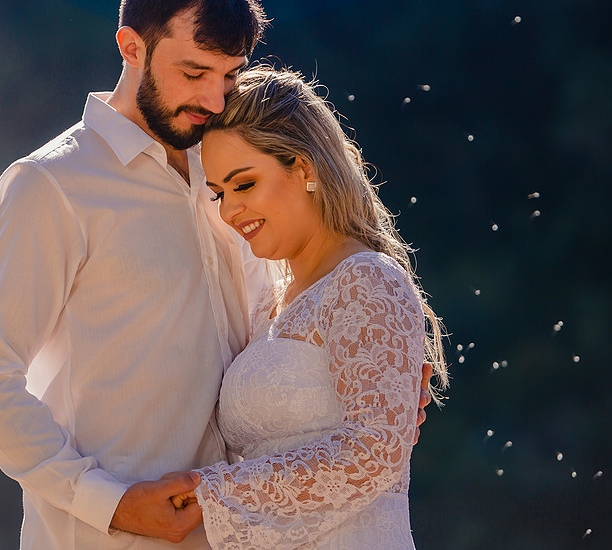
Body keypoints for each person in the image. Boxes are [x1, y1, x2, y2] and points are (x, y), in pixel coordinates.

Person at [0, 0, 435, 549]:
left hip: (235, 536)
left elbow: (271, 349)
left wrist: (365, 393)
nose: (213, 98)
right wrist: (111, 503)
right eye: (194, 72)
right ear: (131, 47)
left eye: (229, 75)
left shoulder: (234, 175)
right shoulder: (54, 186)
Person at [169, 65, 450, 548]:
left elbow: (375, 452)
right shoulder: (269, 304)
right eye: (218, 193)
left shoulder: (367, 280)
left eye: (243, 185)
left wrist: (210, 494)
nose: (228, 210)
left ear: (303, 169)